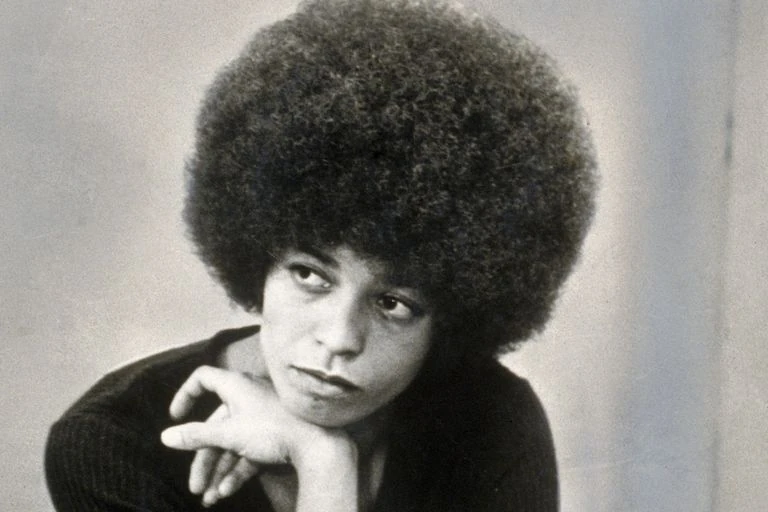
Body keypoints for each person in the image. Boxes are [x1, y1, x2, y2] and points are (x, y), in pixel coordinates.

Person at [45, 0, 596, 510]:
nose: (339, 339)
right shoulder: (114, 444)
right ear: (259, 256)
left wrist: (321, 461)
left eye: (394, 303)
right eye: (310, 275)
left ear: (452, 317)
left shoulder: (490, 420)